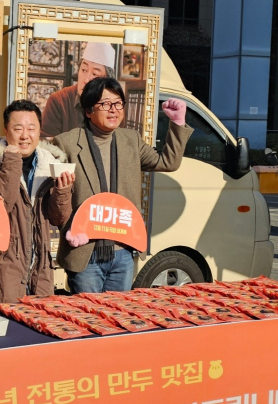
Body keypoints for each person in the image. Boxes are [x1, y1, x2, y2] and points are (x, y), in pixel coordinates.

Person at [55, 77, 193, 294]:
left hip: (123, 250)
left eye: (118, 103)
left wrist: (176, 123)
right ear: (89, 110)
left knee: (118, 321)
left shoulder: (131, 140)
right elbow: (55, 199)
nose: (113, 110)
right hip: (85, 251)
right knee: (89, 320)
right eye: (105, 104)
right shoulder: (67, 143)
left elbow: (168, 162)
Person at [0, 100, 75, 303]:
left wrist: (62, 191)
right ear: (6, 131)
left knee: (38, 330)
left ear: (39, 131)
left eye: (31, 128)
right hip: (1, 271)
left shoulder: (50, 166)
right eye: (17, 128)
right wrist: (11, 161)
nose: (25, 136)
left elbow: (58, 218)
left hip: (40, 271)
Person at [41, 41, 116, 138]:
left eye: (95, 74)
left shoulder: (114, 106)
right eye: (84, 70)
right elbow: (46, 146)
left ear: (106, 81)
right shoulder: (58, 101)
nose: (86, 79)